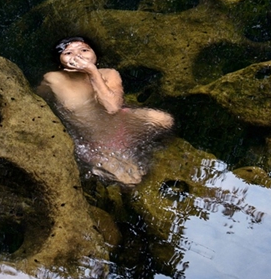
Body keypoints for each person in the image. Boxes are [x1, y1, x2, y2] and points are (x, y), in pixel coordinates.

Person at [37, 37, 174, 185]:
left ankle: (145, 150)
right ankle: (99, 164)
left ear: (95, 55)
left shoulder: (109, 73)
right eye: (68, 52)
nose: (78, 55)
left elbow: (112, 108)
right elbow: (38, 98)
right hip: (93, 141)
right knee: (132, 180)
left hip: (122, 124)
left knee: (165, 120)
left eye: (84, 50)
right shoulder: (53, 79)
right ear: (59, 62)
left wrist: (92, 72)